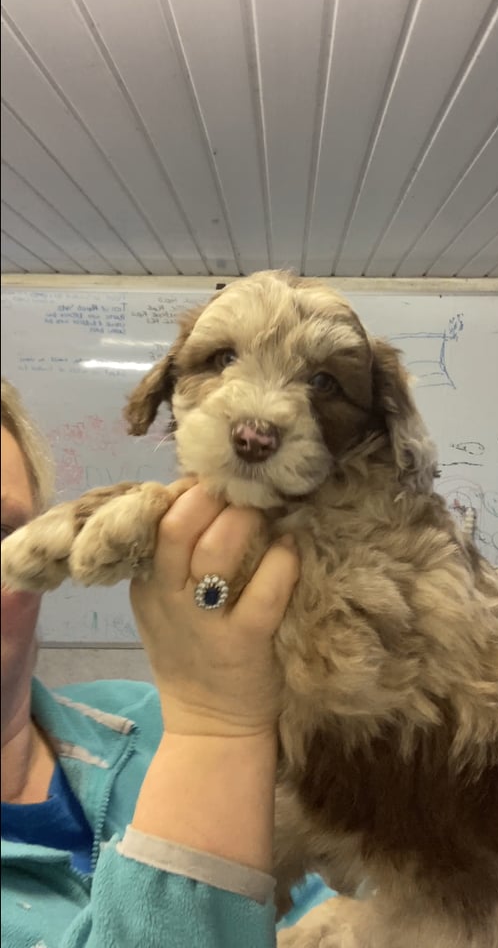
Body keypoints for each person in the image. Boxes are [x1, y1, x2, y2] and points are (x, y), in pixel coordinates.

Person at [1, 377, 335, 947]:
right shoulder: (204, 710)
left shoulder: (148, 717)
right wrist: (216, 727)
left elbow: (355, 890)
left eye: (1, 531)